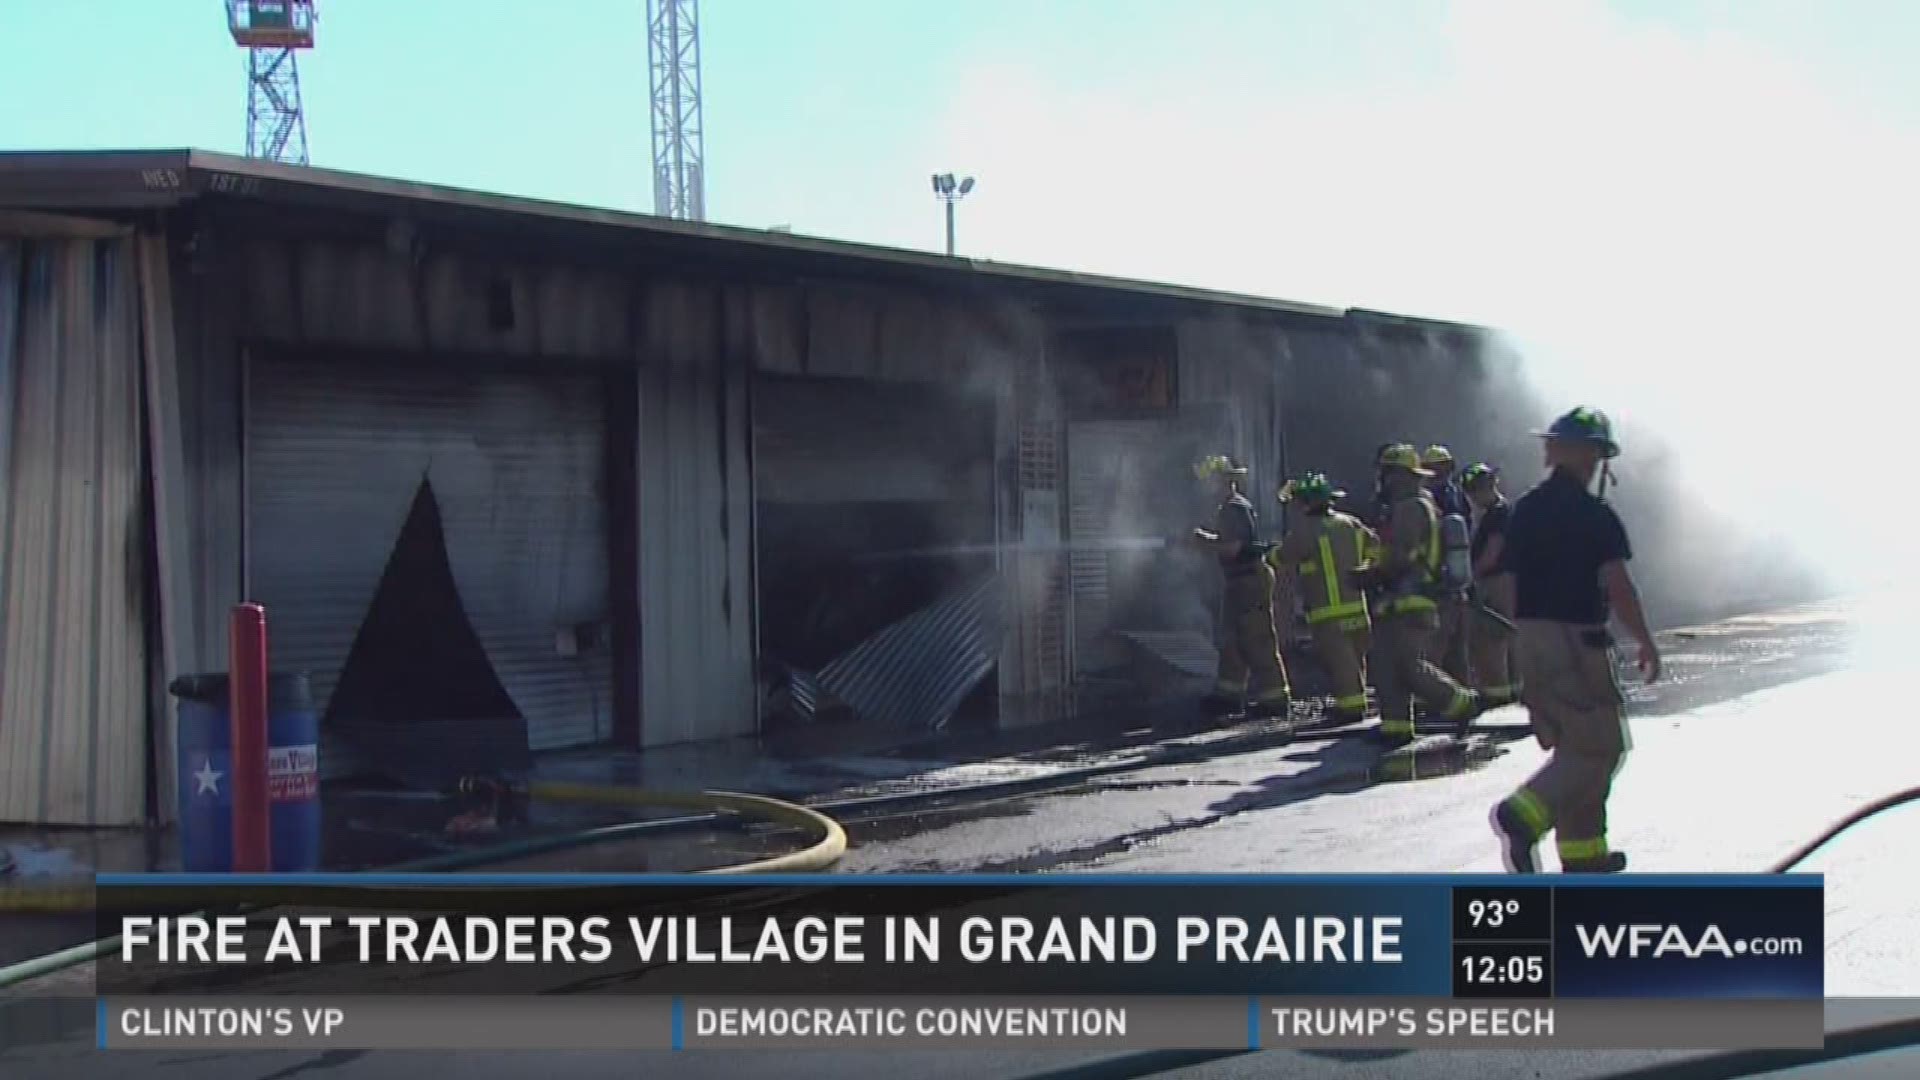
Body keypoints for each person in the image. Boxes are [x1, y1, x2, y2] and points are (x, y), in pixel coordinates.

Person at [1489, 408, 1661, 874]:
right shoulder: (1594, 515)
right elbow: (1618, 585)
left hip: (1532, 638)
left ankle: (1584, 857)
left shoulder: (1524, 509)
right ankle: (1523, 815)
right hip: (1577, 643)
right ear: (1591, 455)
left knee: (1575, 748)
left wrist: (1524, 638)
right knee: (1601, 747)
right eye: (1597, 453)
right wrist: (1644, 640)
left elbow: (1507, 581)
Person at [1351, 444, 1483, 746]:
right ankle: (1395, 728)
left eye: (1389, 472)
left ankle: (1463, 703)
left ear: (1404, 476)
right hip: (1398, 599)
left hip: (1411, 599)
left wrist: (1370, 574)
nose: (1384, 479)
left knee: (1408, 666)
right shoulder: (1411, 505)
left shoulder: (1411, 506)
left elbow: (1403, 556)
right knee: (1387, 667)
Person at [1268, 473, 1378, 726]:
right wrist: (1369, 566)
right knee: (1355, 660)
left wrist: (1265, 553)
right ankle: (1352, 700)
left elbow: (1281, 557)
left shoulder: (1305, 530)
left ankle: (1350, 710)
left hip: (1328, 614)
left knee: (1340, 663)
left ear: (1305, 503)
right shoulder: (1351, 523)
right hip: (1358, 610)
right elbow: (1375, 545)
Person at [1190, 455, 1292, 721]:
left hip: (1250, 579)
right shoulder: (1228, 508)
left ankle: (1275, 698)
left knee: (1256, 639)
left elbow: (1234, 548)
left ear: (1223, 481)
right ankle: (1228, 696)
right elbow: (1234, 542)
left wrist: (1204, 545)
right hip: (1239, 581)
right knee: (1232, 641)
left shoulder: (1234, 508)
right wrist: (1207, 539)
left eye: (1209, 481)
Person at [1461, 462, 1520, 707]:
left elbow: (1492, 553)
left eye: (1475, 491)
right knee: (1508, 637)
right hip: (1504, 580)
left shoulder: (1498, 514)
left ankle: (1497, 695)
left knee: (1490, 637)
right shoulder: (1496, 513)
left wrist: (1469, 577)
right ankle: (1514, 690)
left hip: (1498, 582)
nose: (1473, 497)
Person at [1422, 444, 1475, 688]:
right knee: (1457, 644)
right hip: (1458, 578)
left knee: (1437, 641)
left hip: (1440, 578)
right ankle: (1461, 692)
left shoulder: (1434, 499)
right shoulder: (1458, 496)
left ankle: (1435, 695)